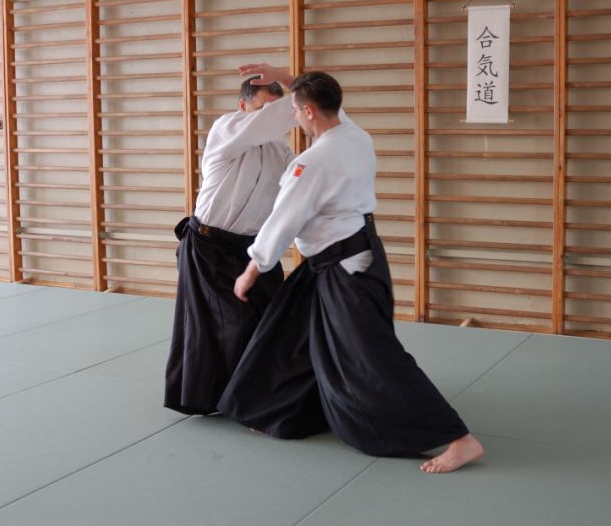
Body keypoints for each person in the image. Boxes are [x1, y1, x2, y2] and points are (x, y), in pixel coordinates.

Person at [217, 71, 484, 474]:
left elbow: (282, 222)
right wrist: (289, 79)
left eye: (295, 110)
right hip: (346, 258)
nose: (294, 118)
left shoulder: (311, 163)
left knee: (370, 353)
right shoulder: (355, 136)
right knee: (287, 334)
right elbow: (330, 109)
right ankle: (277, 411)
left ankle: (459, 438)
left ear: (309, 111)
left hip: (345, 269)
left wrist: (252, 270)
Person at [164, 69, 296, 415]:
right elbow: (282, 115)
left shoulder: (281, 151)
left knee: (275, 318)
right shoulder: (227, 129)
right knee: (230, 326)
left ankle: (266, 395)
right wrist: (296, 85)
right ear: (242, 106)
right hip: (209, 246)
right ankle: (232, 401)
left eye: (276, 107)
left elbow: (297, 194)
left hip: (253, 249)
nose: (270, 117)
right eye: (263, 108)